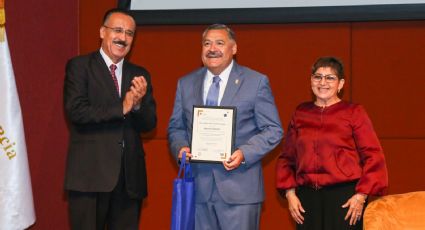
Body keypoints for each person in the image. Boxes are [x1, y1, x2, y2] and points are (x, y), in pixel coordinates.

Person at [168, 24, 283, 230]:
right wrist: (180, 147)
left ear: (234, 48)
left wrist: (244, 153)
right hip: (199, 192)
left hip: (240, 192)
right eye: (207, 43)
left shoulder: (256, 82)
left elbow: (274, 130)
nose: (212, 48)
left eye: (220, 43)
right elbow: (176, 128)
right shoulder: (185, 83)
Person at [63, 8, 156, 230]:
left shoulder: (139, 74)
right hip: (89, 177)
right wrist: (122, 107)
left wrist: (138, 104)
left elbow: (150, 125)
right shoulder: (79, 67)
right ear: (102, 32)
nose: (123, 38)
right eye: (117, 30)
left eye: (129, 33)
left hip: (128, 180)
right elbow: (76, 111)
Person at [276, 56, 388, 230]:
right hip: (306, 200)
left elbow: (373, 156)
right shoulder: (301, 112)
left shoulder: (354, 112)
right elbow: (287, 158)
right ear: (311, 81)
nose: (323, 82)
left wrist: (361, 195)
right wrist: (290, 194)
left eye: (330, 78)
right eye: (317, 77)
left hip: (345, 200)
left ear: (341, 84)